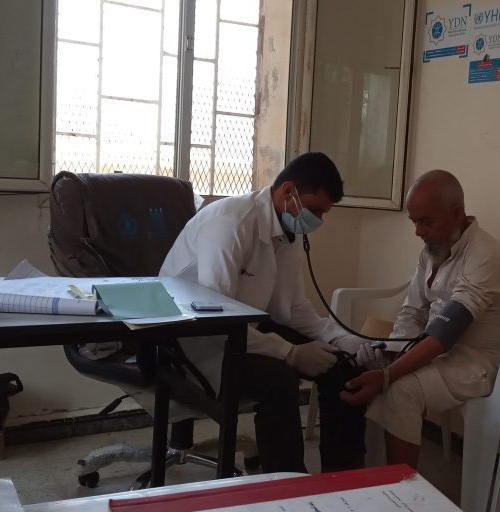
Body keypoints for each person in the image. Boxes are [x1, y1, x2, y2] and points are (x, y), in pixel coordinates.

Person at [159, 152, 371, 473]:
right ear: (288, 191)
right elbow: (217, 321)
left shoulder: (286, 230)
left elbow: (291, 308)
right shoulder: (230, 224)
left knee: (343, 367)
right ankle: (287, 491)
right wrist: (289, 352)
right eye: (314, 210)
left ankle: (342, 480)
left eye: (323, 214)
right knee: (279, 380)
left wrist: (345, 339)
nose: (318, 221)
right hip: (193, 337)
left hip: (240, 328)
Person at [340, 170, 500, 469]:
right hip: (440, 351)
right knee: (359, 364)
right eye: (414, 222)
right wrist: (391, 353)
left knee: (399, 390)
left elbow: (445, 333)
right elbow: (412, 312)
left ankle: (400, 495)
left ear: (457, 213)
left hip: (481, 362)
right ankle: (360, 481)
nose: (418, 231)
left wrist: (390, 373)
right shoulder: (431, 252)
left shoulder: (486, 255)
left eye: (425, 221)